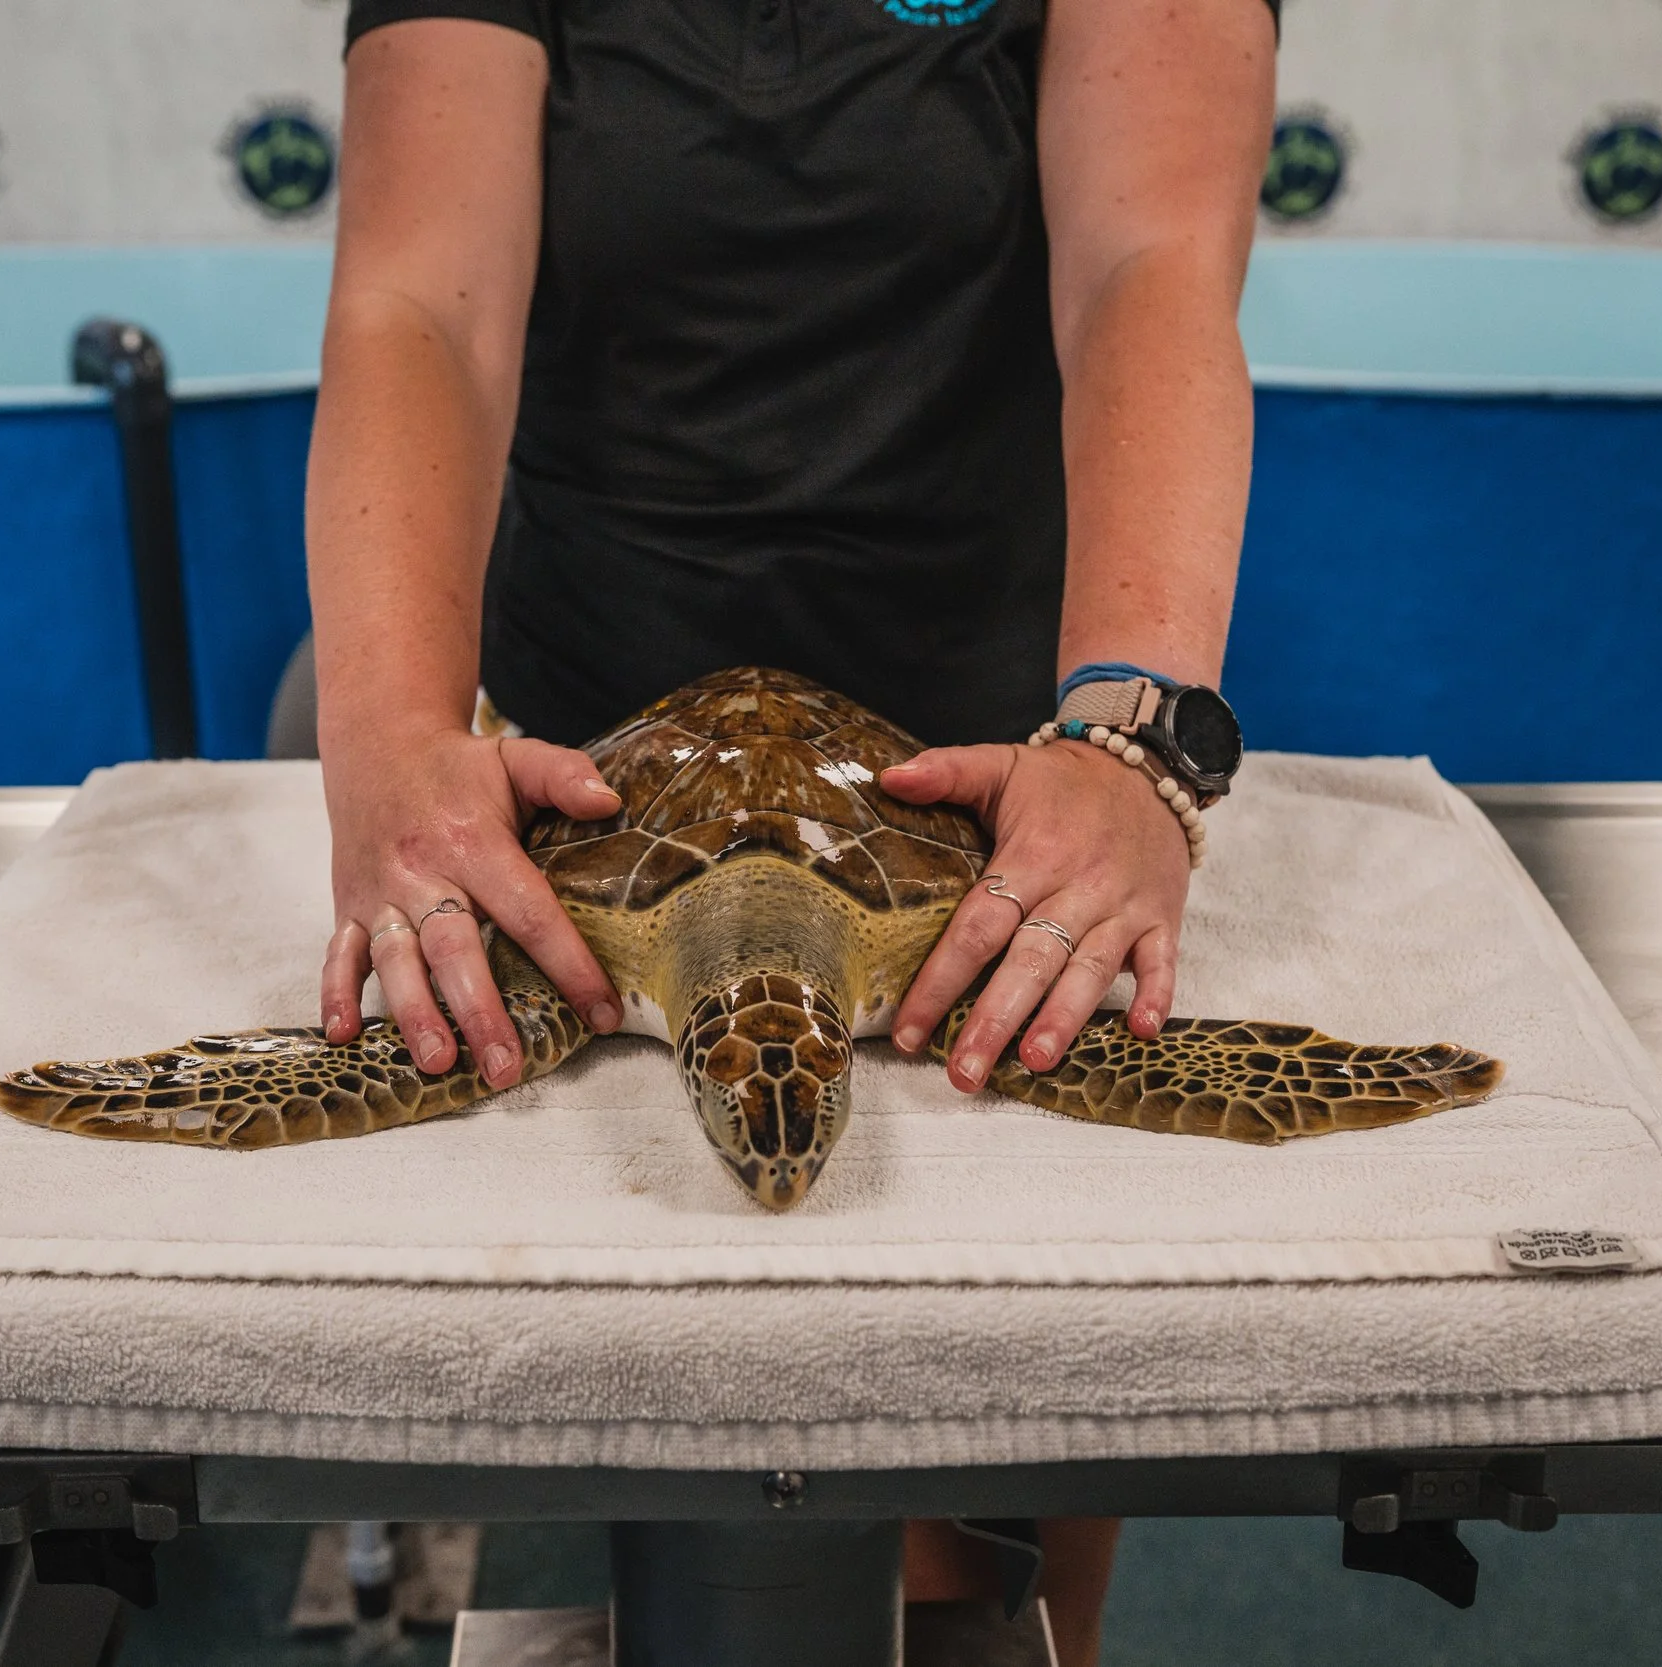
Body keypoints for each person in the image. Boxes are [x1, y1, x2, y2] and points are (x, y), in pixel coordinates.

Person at [305, 0, 1274, 1653]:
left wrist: (1131, 737)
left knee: (991, 1525)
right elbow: (421, 303)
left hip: (987, 774)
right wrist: (394, 739)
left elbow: (1149, 268)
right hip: (585, 765)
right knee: (608, 1437)